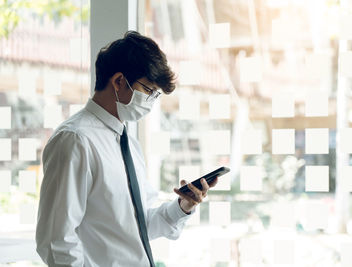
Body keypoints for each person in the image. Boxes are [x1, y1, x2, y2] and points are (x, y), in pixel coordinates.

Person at [36, 30, 218, 267]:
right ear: (119, 81)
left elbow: (140, 225)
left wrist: (184, 206)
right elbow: (56, 241)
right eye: (149, 90)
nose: (152, 100)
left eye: (156, 94)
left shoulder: (127, 142)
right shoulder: (75, 140)